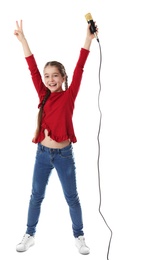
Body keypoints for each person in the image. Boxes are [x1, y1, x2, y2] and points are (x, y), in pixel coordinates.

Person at [14, 19, 98, 255]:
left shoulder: (69, 96)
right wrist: (23, 40)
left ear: (63, 78)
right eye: (47, 76)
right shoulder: (43, 94)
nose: (50, 80)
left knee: (72, 197)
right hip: (42, 154)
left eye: (55, 76)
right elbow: (31, 67)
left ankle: (79, 236)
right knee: (36, 196)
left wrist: (88, 40)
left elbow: (80, 66)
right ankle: (29, 234)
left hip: (63, 155)